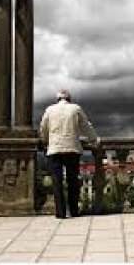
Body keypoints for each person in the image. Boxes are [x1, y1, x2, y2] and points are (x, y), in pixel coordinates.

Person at [40, 89, 99, 219]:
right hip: (72, 148)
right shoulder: (75, 109)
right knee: (73, 180)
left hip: (54, 148)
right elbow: (86, 126)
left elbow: (43, 128)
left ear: (57, 99)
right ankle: (73, 210)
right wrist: (94, 139)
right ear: (69, 98)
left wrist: (45, 141)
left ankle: (60, 212)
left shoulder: (49, 110)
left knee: (57, 181)